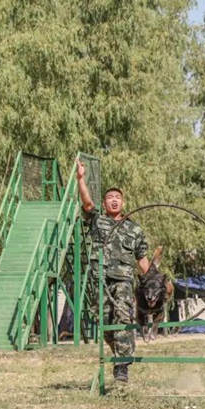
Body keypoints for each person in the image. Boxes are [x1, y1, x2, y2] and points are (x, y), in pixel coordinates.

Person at [76, 158, 149, 383]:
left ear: (123, 202)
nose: (114, 201)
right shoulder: (98, 221)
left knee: (122, 317)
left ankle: (122, 367)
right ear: (105, 203)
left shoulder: (134, 229)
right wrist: (81, 179)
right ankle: (120, 352)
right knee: (104, 320)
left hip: (123, 281)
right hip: (100, 280)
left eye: (118, 198)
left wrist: (150, 284)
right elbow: (87, 204)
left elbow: (143, 260)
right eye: (110, 198)